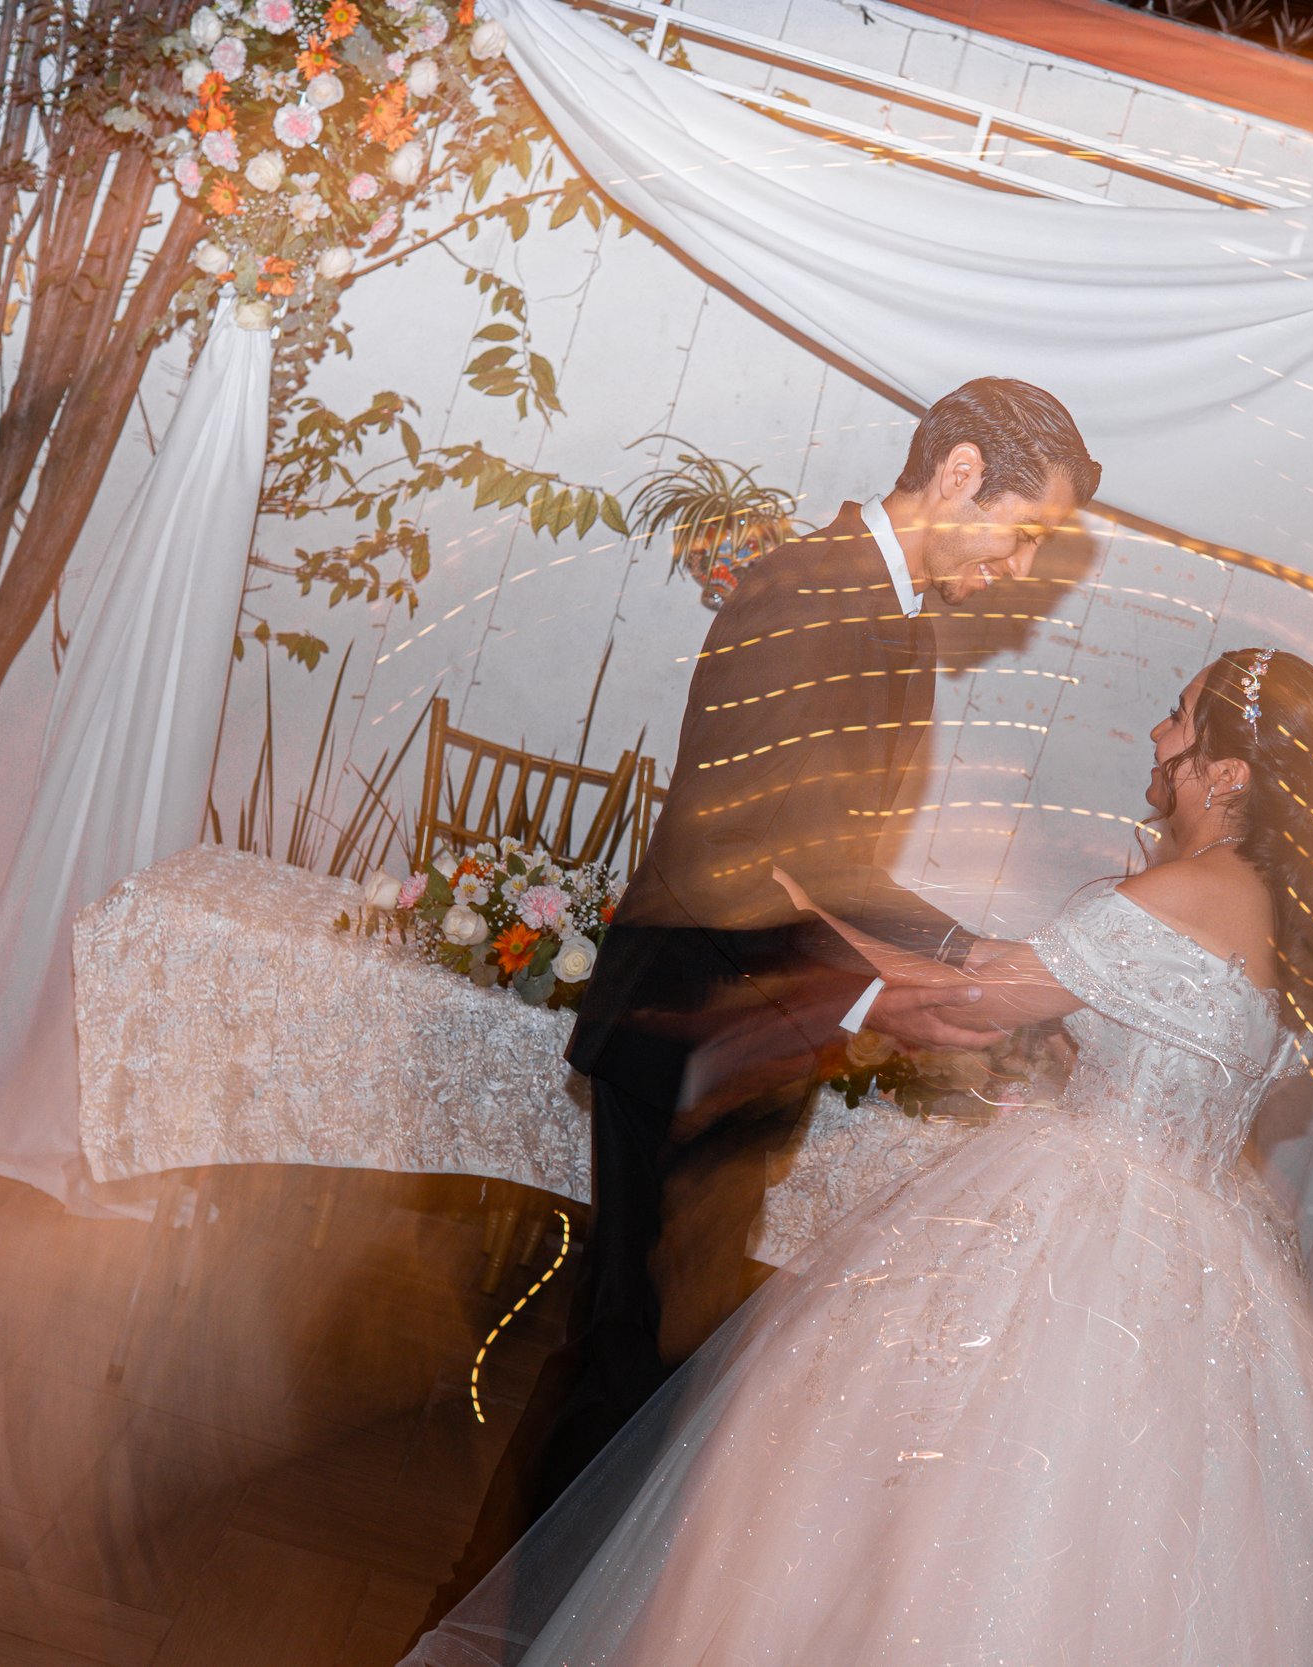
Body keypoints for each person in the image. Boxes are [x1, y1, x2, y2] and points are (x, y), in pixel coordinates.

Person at [403, 649, 1313, 1666]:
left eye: (1180, 717)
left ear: (1228, 770)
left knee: (937, 1495)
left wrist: (798, 919)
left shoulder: (1175, 896)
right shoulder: (1280, 922)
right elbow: (1017, 988)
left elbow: (972, 1006)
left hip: (1082, 1231)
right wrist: (847, 929)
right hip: (1193, 1247)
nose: (1156, 734)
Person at [417, 379, 1103, 1634]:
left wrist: (957, 945)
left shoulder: (879, 608)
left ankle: (527, 1618)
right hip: (687, 1029)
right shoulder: (809, 589)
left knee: (642, 1355)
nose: (1019, 566)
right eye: (1025, 530)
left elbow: (821, 855)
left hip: (731, 1037)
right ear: (957, 473)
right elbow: (737, 860)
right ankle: (500, 1625)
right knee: (629, 1356)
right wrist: (890, 999)